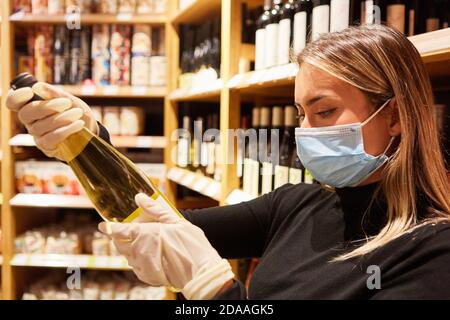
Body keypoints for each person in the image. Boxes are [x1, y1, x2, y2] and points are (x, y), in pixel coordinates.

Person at [7, 24, 450, 299]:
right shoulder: (296, 207)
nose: (307, 132)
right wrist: (86, 145)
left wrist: (213, 288)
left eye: (326, 111)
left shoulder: (434, 253)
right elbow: (154, 219)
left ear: (393, 115)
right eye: (301, 114)